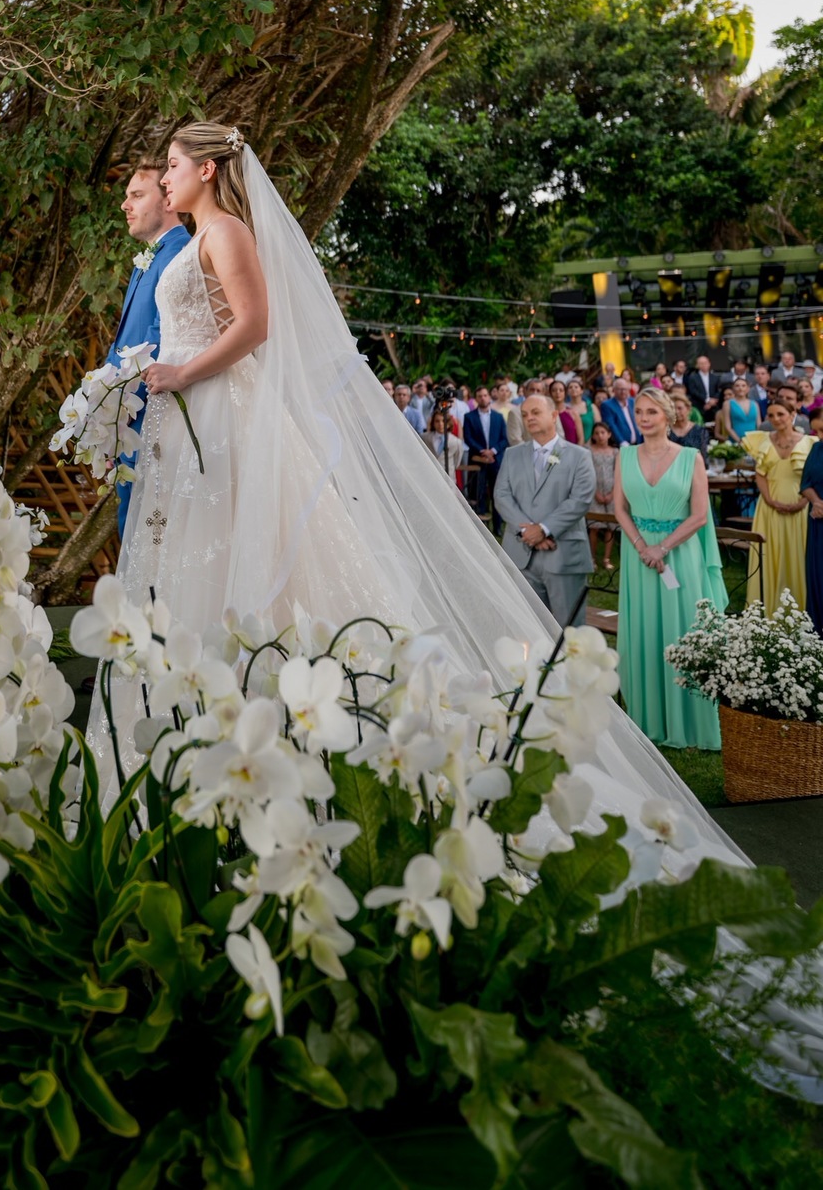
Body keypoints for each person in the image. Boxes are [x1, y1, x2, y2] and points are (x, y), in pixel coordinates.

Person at [91, 120, 794, 928]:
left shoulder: (226, 233)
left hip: (221, 411)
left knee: (262, 570)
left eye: (173, 165)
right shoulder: (189, 241)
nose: (164, 177)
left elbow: (255, 325)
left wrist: (181, 369)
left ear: (209, 169)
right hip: (190, 426)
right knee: (190, 571)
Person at [614, 387, 729, 749]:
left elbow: (699, 516)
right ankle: (648, 717)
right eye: (639, 412)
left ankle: (689, 720)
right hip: (639, 558)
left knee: (683, 630)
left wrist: (662, 547)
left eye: (651, 412)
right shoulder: (624, 456)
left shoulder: (690, 457)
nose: (644, 418)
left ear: (668, 415)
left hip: (680, 556)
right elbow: (620, 509)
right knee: (645, 629)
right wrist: (643, 548)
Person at [106, 161, 192, 535]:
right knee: (131, 532)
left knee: (148, 535)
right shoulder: (150, 256)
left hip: (150, 418)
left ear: (167, 200)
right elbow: (126, 341)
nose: (125, 205)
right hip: (128, 420)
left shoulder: (178, 254)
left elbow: (161, 340)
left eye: (137, 195)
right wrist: (104, 413)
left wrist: (120, 410)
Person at [493, 394, 596, 627]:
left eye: (536, 412)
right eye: (525, 414)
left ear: (553, 415)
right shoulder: (512, 454)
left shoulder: (579, 456)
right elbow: (501, 495)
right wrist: (527, 532)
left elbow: (580, 500)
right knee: (526, 629)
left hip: (563, 554)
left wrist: (543, 529)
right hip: (521, 554)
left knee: (568, 632)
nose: (529, 418)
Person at [742, 401, 815, 615]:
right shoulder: (762, 440)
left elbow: (814, 476)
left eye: (780, 414)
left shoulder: (810, 442)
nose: (775, 419)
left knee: (799, 554)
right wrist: (770, 501)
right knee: (769, 555)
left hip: (801, 507)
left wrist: (803, 502)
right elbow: (760, 475)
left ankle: (801, 610)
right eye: (771, 415)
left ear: (793, 414)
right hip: (769, 508)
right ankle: (768, 608)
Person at [462, 385, 508, 520]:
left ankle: (498, 525)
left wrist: (493, 451)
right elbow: (468, 437)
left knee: (497, 493)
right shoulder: (469, 417)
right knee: (479, 492)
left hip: (496, 460)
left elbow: (505, 438)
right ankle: (480, 523)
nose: (483, 398)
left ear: (489, 397)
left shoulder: (498, 417)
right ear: (476, 399)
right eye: (479, 396)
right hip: (477, 460)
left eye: (485, 395)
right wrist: (482, 451)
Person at [800, 405, 823, 636]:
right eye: (817, 431)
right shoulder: (816, 448)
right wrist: (816, 502)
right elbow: (805, 483)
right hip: (818, 522)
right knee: (817, 575)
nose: (821, 436)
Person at [588, 421, 617, 570]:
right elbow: (587, 473)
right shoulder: (588, 451)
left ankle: (606, 558)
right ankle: (592, 558)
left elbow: (618, 473)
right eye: (597, 433)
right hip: (595, 492)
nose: (600, 436)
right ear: (593, 436)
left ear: (609, 434)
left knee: (610, 527)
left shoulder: (615, 452)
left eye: (603, 433)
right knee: (595, 526)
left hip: (612, 492)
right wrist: (595, 492)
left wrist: (613, 493)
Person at [715, 374, 759, 446]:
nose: (740, 388)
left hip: (753, 441)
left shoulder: (755, 404)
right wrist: (739, 441)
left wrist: (757, 440)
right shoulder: (727, 404)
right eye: (737, 386)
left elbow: (759, 424)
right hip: (736, 440)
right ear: (733, 389)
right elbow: (728, 426)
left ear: (748, 388)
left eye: (743, 386)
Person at [668, 387, 710, 463]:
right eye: (673, 409)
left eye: (680, 408)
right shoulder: (665, 430)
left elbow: (703, 457)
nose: (676, 412)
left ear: (688, 409)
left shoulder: (700, 431)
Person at [425, 404, 465, 474]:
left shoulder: (456, 442)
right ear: (433, 423)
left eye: (444, 421)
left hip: (448, 476)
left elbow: (456, 462)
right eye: (437, 421)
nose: (440, 424)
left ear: (449, 423)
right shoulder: (425, 438)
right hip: (430, 474)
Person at [684, 354, 724, 422]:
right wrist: (707, 400)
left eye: (705, 363)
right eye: (701, 363)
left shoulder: (715, 377)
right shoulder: (693, 378)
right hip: (700, 406)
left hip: (714, 406)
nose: (704, 365)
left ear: (709, 364)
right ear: (697, 365)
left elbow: (719, 390)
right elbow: (693, 391)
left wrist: (711, 402)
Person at [601, 381, 640, 448]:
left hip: (638, 443)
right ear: (614, 390)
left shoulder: (632, 402)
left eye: (625, 389)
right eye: (619, 389)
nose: (623, 392)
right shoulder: (607, 405)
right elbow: (611, 425)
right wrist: (621, 441)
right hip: (621, 445)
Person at [491, 378, 524, 446]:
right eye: (502, 390)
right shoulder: (491, 407)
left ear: (509, 393)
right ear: (497, 392)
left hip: (511, 435)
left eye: (507, 391)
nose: (504, 393)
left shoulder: (514, 407)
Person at [549, 377, 581, 445]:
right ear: (550, 393)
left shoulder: (573, 413)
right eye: (554, 390)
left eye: (561, 390)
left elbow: (581, 438)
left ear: (565, 393)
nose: (558, 392)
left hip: (572, 449)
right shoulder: (547, 414)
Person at [565, 377, 593, 443]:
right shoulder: (565, 408)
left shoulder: (590, 406)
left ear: (581, 390)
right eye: (570, 387)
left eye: (576, 387)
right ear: (567, 392)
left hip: (590, 443)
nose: (573, 389)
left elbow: (598, 425)